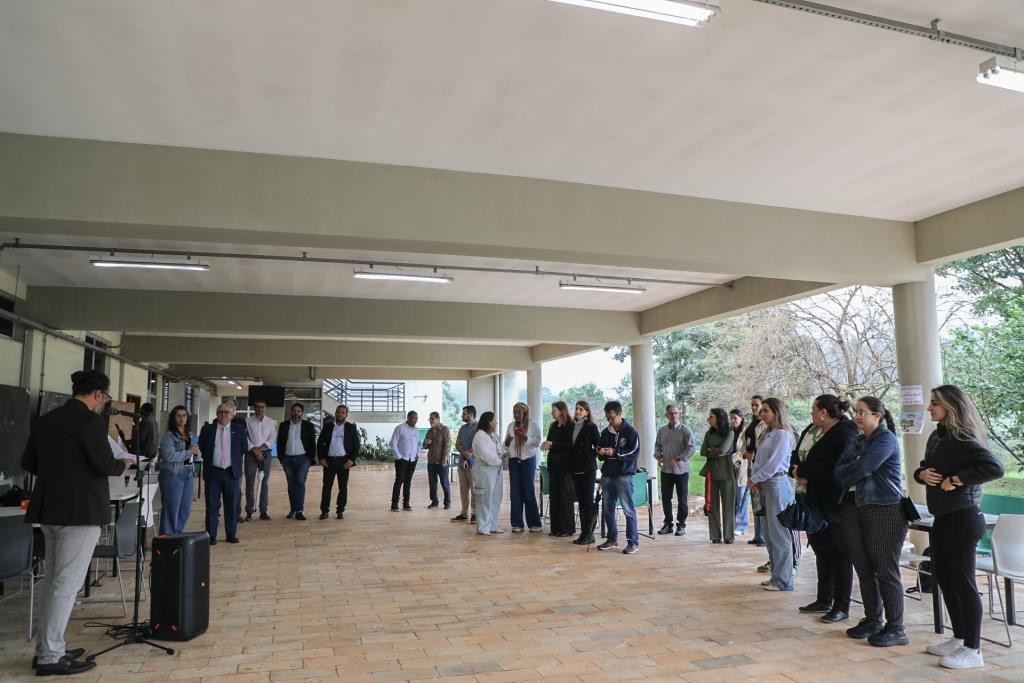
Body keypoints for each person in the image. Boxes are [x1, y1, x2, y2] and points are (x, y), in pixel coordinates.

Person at [21, 370, 134, 676]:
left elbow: (28, 462)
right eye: (104, 397)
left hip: (49, 511)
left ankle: (48, 648)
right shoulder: (90, 421)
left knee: (52, 582)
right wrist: (122, 463)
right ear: (98, 394)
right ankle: (50, 656)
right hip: (80, 513)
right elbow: (103, 464)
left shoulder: (47, 420)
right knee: (65, 585)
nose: (103, 402)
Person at [914, 385, 1004, 670]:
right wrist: (921, 474)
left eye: (934, 403)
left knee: (964, 583)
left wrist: (956, 480)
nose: (929, 408)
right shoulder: (938, 435)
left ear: (951, 406)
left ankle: (973, 650)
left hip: (963, 519)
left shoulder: (963, 437)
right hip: (942, 517)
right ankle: (960, 638)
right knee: (944, 578)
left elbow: (995, 468)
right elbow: (925, 467)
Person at [834, 396, 909, 647]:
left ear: (877, 415)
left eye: (862, 412)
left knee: (885, 569)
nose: (857, 416)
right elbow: (838, 470)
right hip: (852, 507)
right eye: (856, 412)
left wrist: (853, 467)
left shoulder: (885, 439)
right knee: (863, 568)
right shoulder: (856, 440)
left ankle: (896, 627)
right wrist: (853, 468)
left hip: (883, 508)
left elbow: (865, 468)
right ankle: (873, 619)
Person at [792, 395, 859, 624]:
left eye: (813, 410)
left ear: (823, 412)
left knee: (839, 553)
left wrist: (806, 472)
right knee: (821, 550)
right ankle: (824, 598)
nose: (811, 414)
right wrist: (799, 470)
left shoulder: (845, 433)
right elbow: (800, 455)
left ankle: (841, 605)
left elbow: (835, 467)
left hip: (834, 502)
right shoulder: (816, 431)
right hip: (815, 500)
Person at [748, 397, 796, 591]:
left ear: (777, 412)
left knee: (779, 532)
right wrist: (756, 478)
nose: (762, 414)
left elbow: (774, 463)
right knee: (768, 533)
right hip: (764, 483)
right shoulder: (767, 433)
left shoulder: (782, 434)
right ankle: (776, 575)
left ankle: (784, 580)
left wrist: (755, 478)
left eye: (766, 410)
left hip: (776, 483)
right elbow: (759, 460)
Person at [199, 402, 247, 544]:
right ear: (217, 414)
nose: (223, 415)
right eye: (220, 412)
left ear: (232, 415)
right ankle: (211, 535)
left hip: (231, 473)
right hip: (213, 472)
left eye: (227, 412)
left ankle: (231, 534)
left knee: (231, 505)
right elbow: (202, 446)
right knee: (212, 505)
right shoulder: (208, 429)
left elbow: (244, 448)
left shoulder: (239, 429)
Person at [596, 401, 640, 555]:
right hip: (607, 475)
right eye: (607, 417)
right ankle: (612, 539)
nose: (609, 420)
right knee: (607, 509)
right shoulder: (605, 432)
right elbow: (600, 453)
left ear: (620, 414)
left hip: (623, 475)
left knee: (628, 509)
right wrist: (600, 452)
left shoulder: (630, 431)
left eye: (612, 417)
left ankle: (633, 542)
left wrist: (614, 452)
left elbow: (633, 452)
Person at [655, 404, 696, 537]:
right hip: (666, 470)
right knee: (665, 498)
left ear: (679, 414)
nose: (673, 415)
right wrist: (658, 456)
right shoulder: (662, 430)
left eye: (676, 413)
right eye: (671, 413)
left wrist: (678, 459)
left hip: (681, 471)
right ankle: (668, 524)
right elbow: (657, 446)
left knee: (682, 499)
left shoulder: (685, 430)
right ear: (666, 415)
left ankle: (681, 525)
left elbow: (691, 448)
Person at [158, 404, 197, 535]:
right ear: (173, 418)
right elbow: (169, 456)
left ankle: (178, 535)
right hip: (172, 474)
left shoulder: (191, 435)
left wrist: (196, 453)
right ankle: (167, 538)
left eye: (184, 415)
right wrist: (189, 452)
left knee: (185, 509)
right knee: (171, 509)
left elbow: (196, 453)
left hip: (188, 473)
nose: (182, 418)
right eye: (178, 416)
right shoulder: (168, 436)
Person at [504, 402, 543, 532]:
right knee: (515, 492)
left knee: (528, 491)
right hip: (514, 461)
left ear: (525, 413)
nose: (516, 415)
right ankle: (517, 524)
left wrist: (524, 437)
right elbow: (505, 445)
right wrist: (507, 441)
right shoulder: (511, 426)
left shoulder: (533, 424)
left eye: (519, 412)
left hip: (527, 460)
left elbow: (537, 442)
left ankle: (534, 524)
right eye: (514, 412)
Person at [316, 404, 359, 519]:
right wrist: (321, 458)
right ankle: (324, 511)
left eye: (343, 413)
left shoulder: (351, 428)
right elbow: (320, 444)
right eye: (339, 412)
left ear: (346, 415)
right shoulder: (328, 426)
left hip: (344, 462)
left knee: (343, 488)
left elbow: (356, 446)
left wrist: (351, 460)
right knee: (326, 488)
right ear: (335, 413)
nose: (340, 414)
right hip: (329, 462)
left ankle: (340, 510)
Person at [541, 401, 576, 538]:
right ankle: (555, 528)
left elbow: (570, 445)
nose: (552, 412)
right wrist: (546, 445)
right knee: (554, 496)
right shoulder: (553, 425)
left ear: (562, 411)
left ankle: (566, 528)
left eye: (554, 410)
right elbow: (550, 441)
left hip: (565, 466)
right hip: (554, 465)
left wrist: (553, 444)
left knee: (565, 497)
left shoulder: (571, 425)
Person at [276, 402, 317, 520]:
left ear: (302, 413)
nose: (296, 413)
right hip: (287, 459)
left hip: (303, 459)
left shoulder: (308, 426)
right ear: (291, 412)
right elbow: (279, 442)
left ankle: (299, 510)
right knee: (291, 484)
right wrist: (281, 458)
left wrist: (310, 458)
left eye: (298, 411)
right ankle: (293, 509)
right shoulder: (284, 425)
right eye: (294, 411)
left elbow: (312, 443)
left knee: (299, 482)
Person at [702, 408, 736, 544]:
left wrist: (712, 450)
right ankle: (715, 535)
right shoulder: (708, 434)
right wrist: (715, 451)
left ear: (719, 418)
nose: (709, 419)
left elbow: (723, 449)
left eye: (711, 416)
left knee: (728, 507)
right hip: (712, 473)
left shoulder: (730, 433)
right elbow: (703, 451)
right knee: (712, 506)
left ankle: (728, 536)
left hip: (727, 473)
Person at [570, 400, 601, 545]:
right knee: (581, 502)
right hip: (575, 468)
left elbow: (599, 446)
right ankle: (584, 532)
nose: (578, 411)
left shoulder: (591, 427)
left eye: (581, 409)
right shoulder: (571, 426)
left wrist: (590, 455)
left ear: (587, 412)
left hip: (588, 468)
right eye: (576, 408)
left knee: (588, 502)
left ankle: (589, 533)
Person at [471, 411, 507, 535]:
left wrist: (503, 454)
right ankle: (483, 527)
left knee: (496, 498)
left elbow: (499, 449)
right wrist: (499, 461)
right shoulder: (479, 436)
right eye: (494, 420)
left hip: (496, 469)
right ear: (488, 422)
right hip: (484, 470)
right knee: (484, 498)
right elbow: (485, 454)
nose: (496, 422)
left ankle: (492, 525)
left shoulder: (493, 435)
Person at [244, 399, 277, 521]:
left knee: (264, 482)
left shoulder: (270, 421)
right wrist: (255, 450)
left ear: (265, 408)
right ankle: (249, 511)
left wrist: (260, 449)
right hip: (251, 454)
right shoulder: (247, 421)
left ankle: (263, 511)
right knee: (250, 482)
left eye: (262, 407)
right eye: (257, 407)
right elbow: (245, 438)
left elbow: (272, 437)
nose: (260, 409)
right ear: (254, 408)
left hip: (265, 454)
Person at [742, 395, 767, 547]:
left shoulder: (765, 425)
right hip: (750, 466)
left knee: (762, 500)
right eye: (752, 405)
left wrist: (755, 455)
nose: (753, 408)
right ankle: (758, 534)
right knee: (755, 500)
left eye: (756, 405)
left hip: (760, 467)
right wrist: (745, 454)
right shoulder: (751, 424)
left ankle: (763, 535)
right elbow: (743, 444)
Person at [451, 405, 478, 523]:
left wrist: (469, 454)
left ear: (471, 415)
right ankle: (464, 513)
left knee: (474, 489)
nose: (462, 416)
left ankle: (475, 514)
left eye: (464, 414)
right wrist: (463, 453)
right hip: (462, 463)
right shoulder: (462, 428)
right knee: (463, 489)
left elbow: (479, 444)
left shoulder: (479, 428)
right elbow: (457, 444)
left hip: (474, 463)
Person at [390, 411, 420, 511]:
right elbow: (393, 443)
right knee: (399, 481)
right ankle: (394, 504)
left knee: (408, 482)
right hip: (402, 460)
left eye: (416, 418)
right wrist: (399, 457)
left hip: (413, 460)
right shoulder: (400, 428)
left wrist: (418, 454)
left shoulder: (417, 430)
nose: (415, 420)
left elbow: (418, 444)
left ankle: (406, 503)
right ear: (408, 418)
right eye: (414, 418)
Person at [423, 411, 452, 510]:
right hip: (431, 461)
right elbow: (424, 446)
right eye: (429, 419)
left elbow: (447, 445)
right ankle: (434, 502)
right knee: (432, 483)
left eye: (432, 419)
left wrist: (444, 458)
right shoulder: (429, 431)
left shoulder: (445, 430)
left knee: (444, 483)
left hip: (442, 462)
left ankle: (447, 502)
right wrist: (426, 443)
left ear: (438, 419)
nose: (430, 421)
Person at [728, 409, 749, 534]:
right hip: (730, 468)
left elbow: (743, 451)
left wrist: (733, 457)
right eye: (731, 418)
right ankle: (733, 524)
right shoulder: (729, 432)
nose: (732, 420)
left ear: (741, 419)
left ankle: (741, 526)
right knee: (732, 498)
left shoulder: (745, 432)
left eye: (735, 418)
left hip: (741, 468)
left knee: (741, 498)